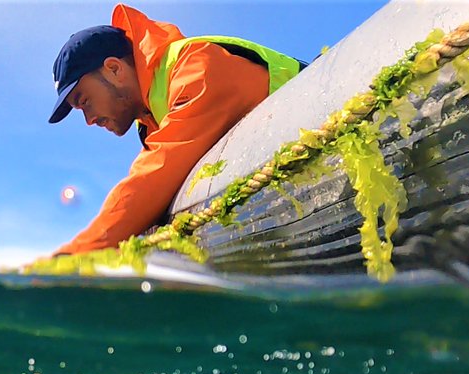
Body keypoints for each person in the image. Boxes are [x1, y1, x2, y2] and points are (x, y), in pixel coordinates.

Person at [48, 4, 304, 256]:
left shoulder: (197, 67)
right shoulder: (150, 122)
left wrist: (79, 253)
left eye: (84, 102)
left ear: (114, 69)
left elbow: (158, 172)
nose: (88, 120)